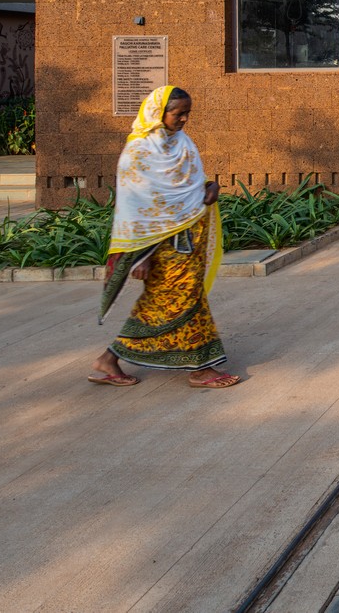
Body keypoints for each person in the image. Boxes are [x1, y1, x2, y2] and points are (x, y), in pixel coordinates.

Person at [89, 85, 241, 389]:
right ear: (159, 113)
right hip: (161, 246)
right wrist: (141, 256)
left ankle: (109, 359)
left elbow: (190, 184)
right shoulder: (139, 152)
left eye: (188, 113)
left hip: (190, 239)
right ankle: (199, 368)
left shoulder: (182, 143)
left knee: (166, 303)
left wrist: (211, 187)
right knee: (182, 300)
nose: (184, 119)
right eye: (178, 113)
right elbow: (134, 207)